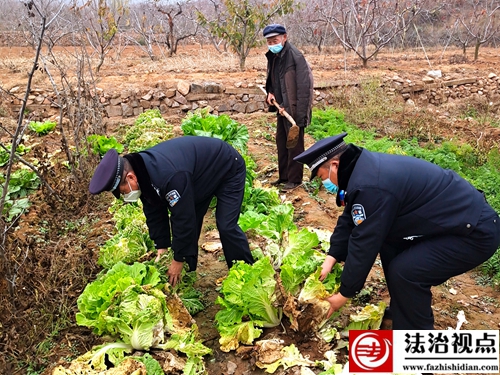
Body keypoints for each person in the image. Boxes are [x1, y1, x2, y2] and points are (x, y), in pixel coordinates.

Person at [294, 133, 500, 329]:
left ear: (335, 165)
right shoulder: (361, 170)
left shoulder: (371, 185)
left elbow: (364, 243)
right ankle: (404, 309)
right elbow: (350, 218)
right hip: (453, 221)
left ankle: (417, 355)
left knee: (407, 273)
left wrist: (343, 295)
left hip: (474, 233)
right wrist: (332, 257)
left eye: (322, 176)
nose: (325, 183)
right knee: (391, 245)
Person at [89, 136, 254, 286]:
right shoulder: (142, 171)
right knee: (193, 218)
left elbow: (183, 219)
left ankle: (246, 275)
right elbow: (153, 210)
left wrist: (177, 259)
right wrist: (162, 246)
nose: (124, 195)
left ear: (131, 178)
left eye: (122, 191)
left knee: (226, 225)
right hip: (199, 177)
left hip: (226, 167)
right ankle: (187, 275)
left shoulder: (170, 176)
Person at [263, 23, 314, 191]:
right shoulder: (274, 56)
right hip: (282, 109)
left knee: (295, 146)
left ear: (284, 37)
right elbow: (274, 81)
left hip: (293, 111)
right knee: (281, 143)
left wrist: (299, 117)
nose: (272, 44)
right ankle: (284, 176)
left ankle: (294, 180)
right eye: (269, 41)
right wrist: (270, 93)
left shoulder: (295, 57)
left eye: (275, 40)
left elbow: (304, 88)